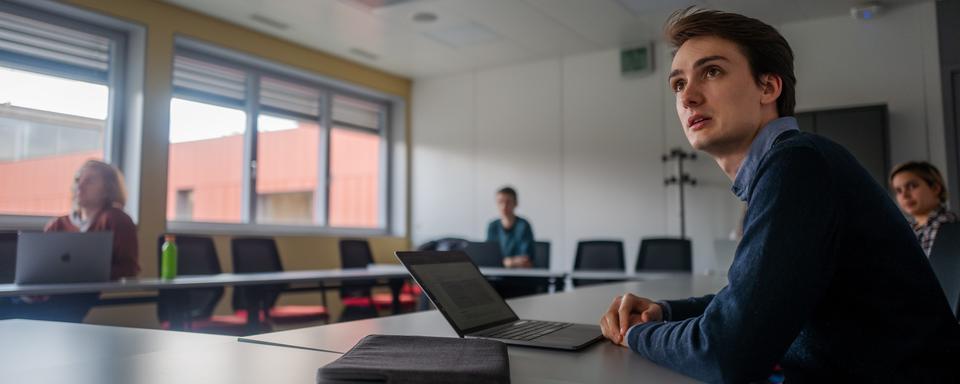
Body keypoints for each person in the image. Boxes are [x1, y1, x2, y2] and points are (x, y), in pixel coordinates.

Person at [599, 8, 960, 382]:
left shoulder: (797, 164)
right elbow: (757, 303)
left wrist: (635, 334)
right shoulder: (795, 161)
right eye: (677, 84)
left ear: (768, 87)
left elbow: (726, 352)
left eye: (711, 71)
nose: (688, 96)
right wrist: (665, 312)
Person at [2, 160, 140, 322]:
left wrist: (85, 275)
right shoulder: (57, 224)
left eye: (90, 181)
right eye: (77, 180)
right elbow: (40, 267)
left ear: (108, 189)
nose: (79, 186)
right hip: (39, 295)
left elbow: (129, 268)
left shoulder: (116, 219)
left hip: (78, 298)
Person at [890, 161, 959, 256]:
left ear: (935, 188)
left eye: (912, 186)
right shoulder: (906, 229)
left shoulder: (947, 226)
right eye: (898, 190)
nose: (904, 195)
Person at [486, 187, 535, 268]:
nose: (504, 206)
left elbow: (526, 260)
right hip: (496, 273)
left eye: (508, 202)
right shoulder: (492, 226)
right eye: (500, 202)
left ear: (515, 203)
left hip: (520, 274)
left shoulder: (523, 225)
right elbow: (489, 257)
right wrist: (510, 262)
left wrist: (504, 262)